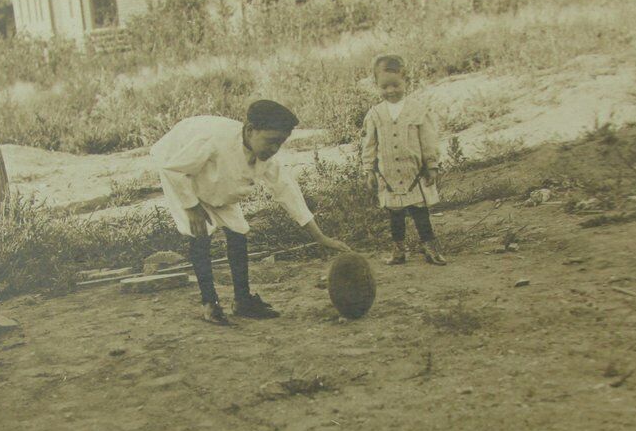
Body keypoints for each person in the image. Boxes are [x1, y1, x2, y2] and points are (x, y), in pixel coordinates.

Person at [151, 100, 352, 325]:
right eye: (271, 141)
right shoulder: (212, 142)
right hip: (180, 170)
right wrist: (192, 207)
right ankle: (210, 304)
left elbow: (287, 192)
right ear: (249, 130)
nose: (275, 149)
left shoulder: (265, 156)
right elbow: (173, 170)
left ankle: (242, 301)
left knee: (238, 231)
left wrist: (319, 236)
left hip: (217, 181)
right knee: (201, 232)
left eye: (280, 143)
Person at [361, 54, 447, 266]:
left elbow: (428, 141)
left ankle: (430, 248)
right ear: (377, 86)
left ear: (406, 81)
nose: (390, 91)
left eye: (396, 85)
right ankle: (398, 251)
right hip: (389, 175)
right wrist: (369, 170)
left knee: (420, 212)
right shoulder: (375, 114)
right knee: (395, 214)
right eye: (384, 86)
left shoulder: (417, 111)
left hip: (413, 173)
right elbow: (369, 144)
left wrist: (432, 165)